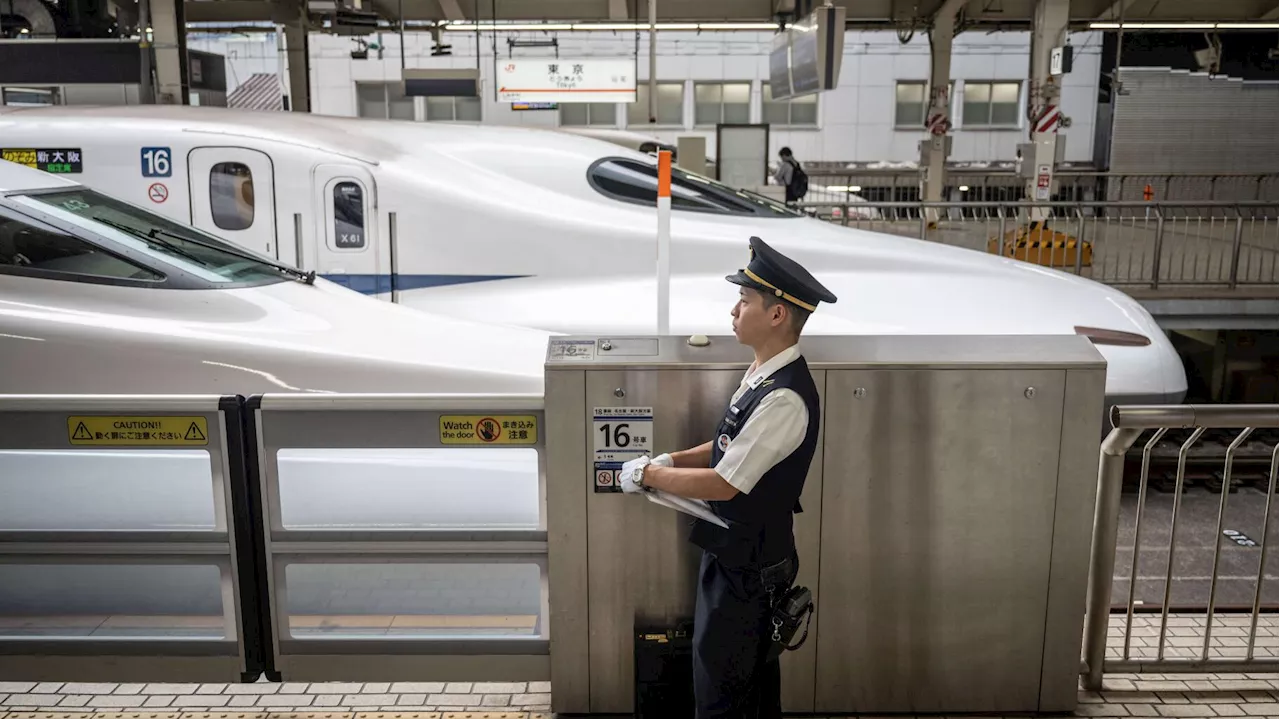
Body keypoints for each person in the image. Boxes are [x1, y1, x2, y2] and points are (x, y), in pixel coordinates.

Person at [617, 235, 837, 719]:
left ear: (777, 315)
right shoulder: (762, 373)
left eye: (744, 300)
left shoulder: (783, 398)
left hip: (750, 573)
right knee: (742, 688)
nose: (734, 311)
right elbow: (726, 449)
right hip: (737, 556)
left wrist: (650, 476)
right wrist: (672, 460)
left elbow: (724, 482)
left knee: (724, 695)